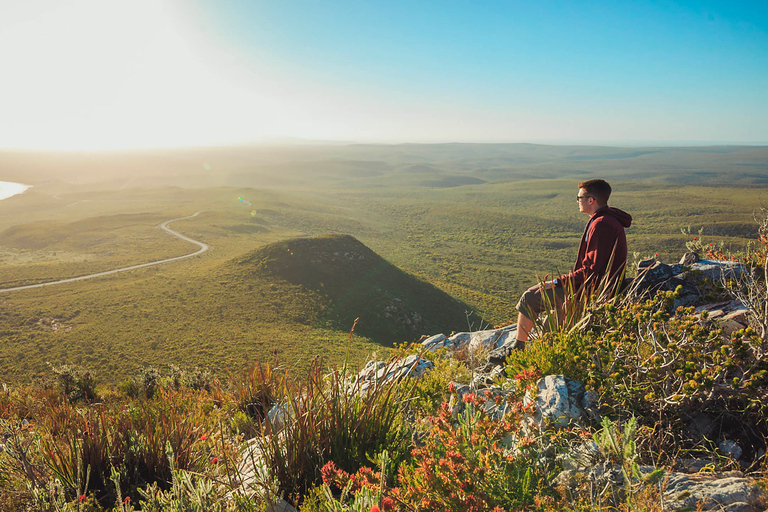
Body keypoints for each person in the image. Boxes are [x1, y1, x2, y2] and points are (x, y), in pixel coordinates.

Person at [513, 179, 632, 349]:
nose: (577, 201)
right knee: (549, 324)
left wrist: (555, 282)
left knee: (529, 297)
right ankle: (527, 351)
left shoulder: (602, 224)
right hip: (592, 288)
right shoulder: (604, 220)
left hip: (594, 293)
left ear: (591, 200)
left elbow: (590, 271)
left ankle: (518, 350)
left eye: (579, 198)